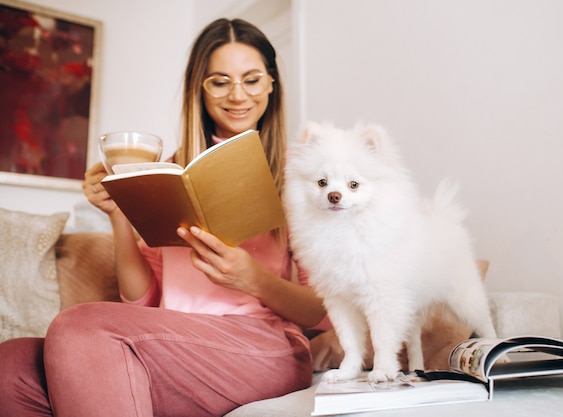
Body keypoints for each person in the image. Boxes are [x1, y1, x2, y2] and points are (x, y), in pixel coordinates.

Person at [0, 18, 328, 417]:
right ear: (199, 88)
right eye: (220, 81)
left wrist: (252, 279)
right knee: (12, 364)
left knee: (80, 326)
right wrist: (118, 212)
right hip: (172, 339)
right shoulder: (170, 172)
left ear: (272, 84)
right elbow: (144, 300)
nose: (238, 95)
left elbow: (320, 310)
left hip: (264, 345)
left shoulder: (302, 174)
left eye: (253, 79)